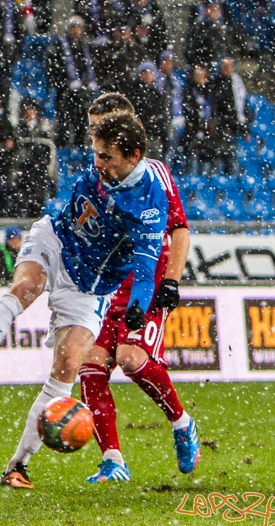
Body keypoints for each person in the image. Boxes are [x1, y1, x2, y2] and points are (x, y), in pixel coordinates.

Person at [0, 112, 168, 489]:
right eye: (95, 153)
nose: (97, 163)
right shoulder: (104, 169)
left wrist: (138, 306)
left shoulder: (149, 205)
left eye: (106, 157)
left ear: (133, 156)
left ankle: (17, 467)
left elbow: (146, 270)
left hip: (90, 287)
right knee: (24, 289)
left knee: (66, 366)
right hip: (56, 240)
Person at [78, 92, 198, 484]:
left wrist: (172, 281)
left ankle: (181, 422)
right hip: (106, 283)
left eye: (102, 127)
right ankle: (113, 460)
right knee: (90, 364)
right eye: (92, 130)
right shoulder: (98, 173)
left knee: (130, 358)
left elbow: (179, 229)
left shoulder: (154, 175)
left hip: (145, 280)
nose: (96, 137)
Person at [46, 15, 98, 147]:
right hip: (65, 90)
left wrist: (85, 83)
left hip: (82, 91)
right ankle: (63, 145)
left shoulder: (85, 47)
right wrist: (65, 83)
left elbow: (89, 68)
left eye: (78, 28)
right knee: (64, 119)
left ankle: (79, 144)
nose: (75, 31)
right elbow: (53, 69)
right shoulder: (59, 46)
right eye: (73, 28)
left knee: (81, 118)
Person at [12, 98, 56, 217]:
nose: (29, 113)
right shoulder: (19, 129)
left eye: (31, 110)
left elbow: (50, 150)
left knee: (37, 201)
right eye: (26, 110)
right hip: (24, 169)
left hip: (39, 169)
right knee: (21, 201)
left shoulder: (44, 128)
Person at [212, 56, 248, 175]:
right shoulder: (216, 83)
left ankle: (231, 180)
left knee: (232, 158)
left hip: (233, 126)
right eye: (224, 66)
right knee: (218, 159)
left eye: (229, 66)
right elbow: (214, 105)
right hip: (220, 127)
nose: (226, 69)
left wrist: (245, 128)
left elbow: (243, 105)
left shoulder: (237, 84)